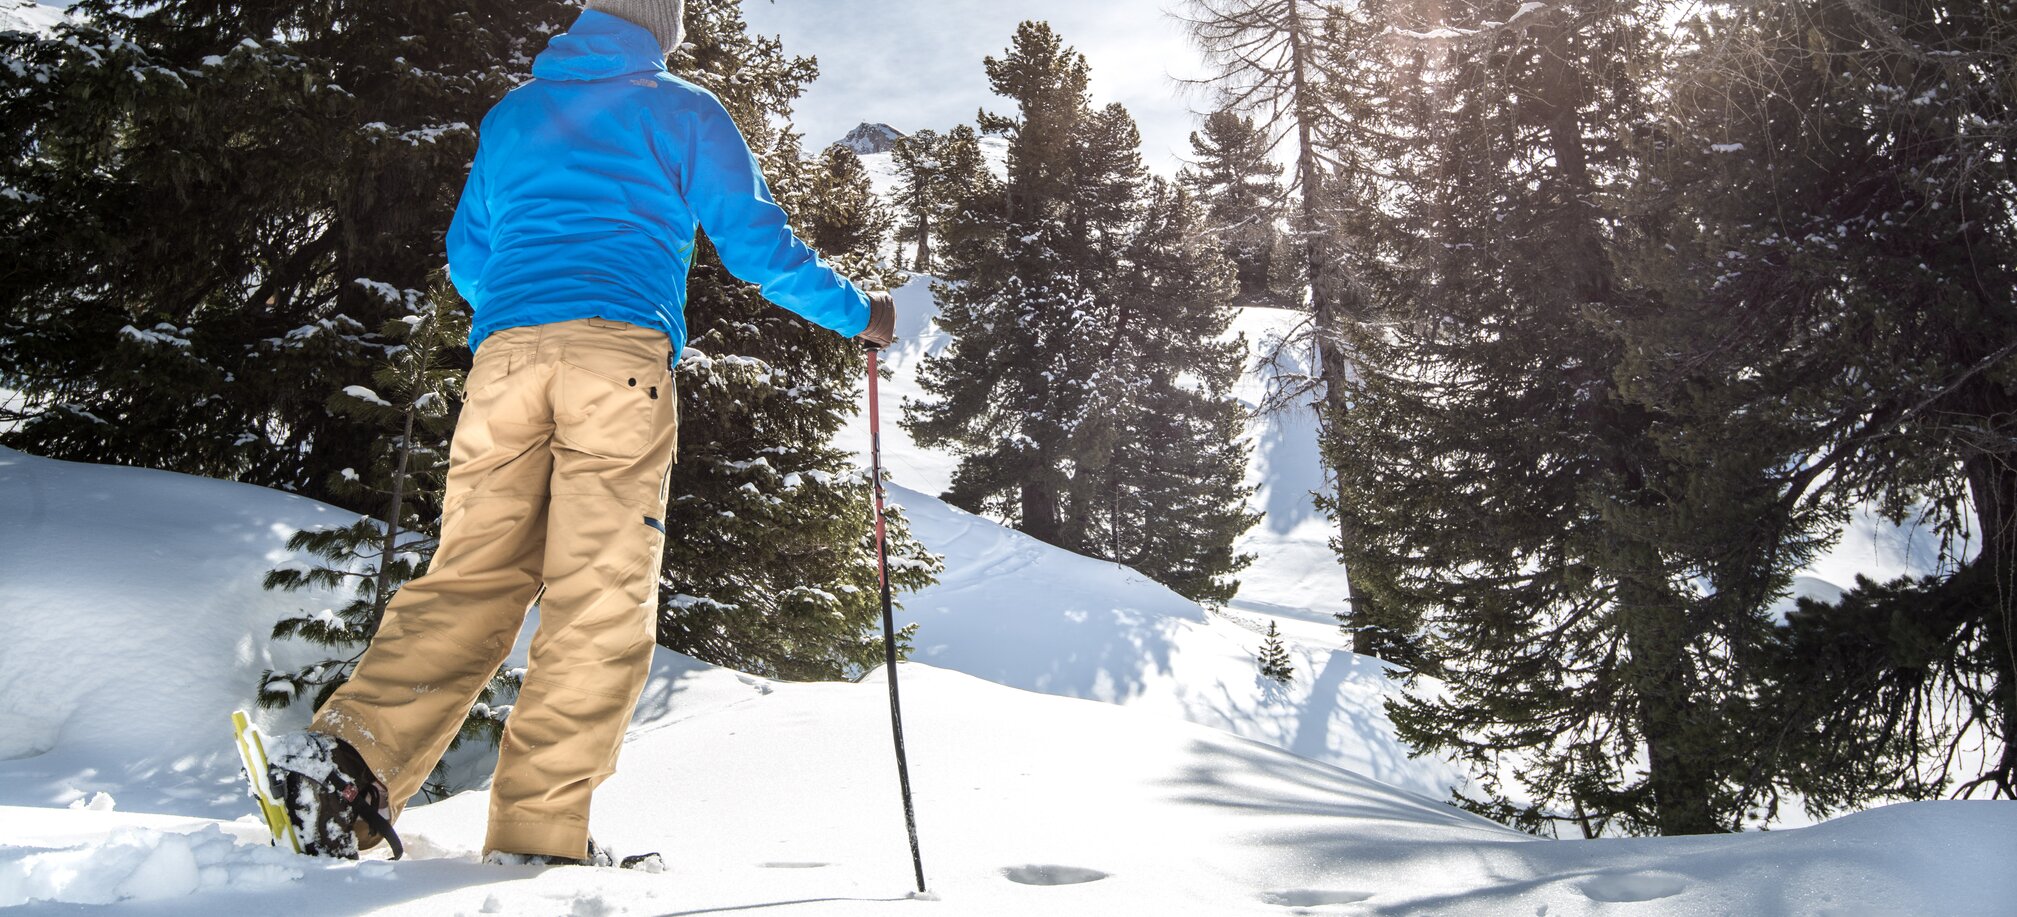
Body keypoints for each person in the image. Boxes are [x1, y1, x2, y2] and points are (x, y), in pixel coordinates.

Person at [258, 0, 897, 866]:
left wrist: (530, 309)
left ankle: (346, 765)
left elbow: (469, 258)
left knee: (471, 575)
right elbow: (756, 248)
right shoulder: (681, 108)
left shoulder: (514, 114)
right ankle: (537, 834)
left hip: (505, 362)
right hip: (617, 359)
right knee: (598, 598)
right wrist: (861, 314)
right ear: (660, 24)